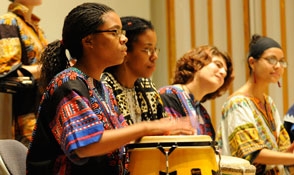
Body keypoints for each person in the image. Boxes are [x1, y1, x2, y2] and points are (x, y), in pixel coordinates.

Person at [26, 3, 194, 175]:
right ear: (88, 40)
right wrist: (148, 127)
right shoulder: (68, 83)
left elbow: (120, 140)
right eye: (114, 32)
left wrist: (164, 132)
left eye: (122, 32)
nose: (124, 39)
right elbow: (86, 145)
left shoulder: (102, 88)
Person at [217, 34, 294, 174]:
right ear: (252, 62)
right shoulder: (237, 103)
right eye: (271, 60)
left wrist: (290, 152)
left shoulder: (269, 103)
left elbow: (281, 147)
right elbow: (251, 153)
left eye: (282, 61)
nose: (278, 66)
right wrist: (293, 158)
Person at [158, 45, 234, 140]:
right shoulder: (168, 94)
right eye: (218, 65)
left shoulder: (203, 113)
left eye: (225, 72)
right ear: (198, 63)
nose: (223, 72)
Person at [101, 16, 165, 125]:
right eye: (147, 49)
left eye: (155, 49)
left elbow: (162, 128)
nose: (154, 56)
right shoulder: (104, 87)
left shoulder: (147, 86)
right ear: (125, 51)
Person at [0, 0, 48, 146]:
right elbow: (8, 71)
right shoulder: (9, 21)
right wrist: (52, 68)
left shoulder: (34, 25)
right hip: (23, 112)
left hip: (40, 106)